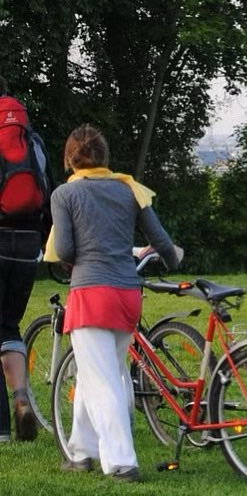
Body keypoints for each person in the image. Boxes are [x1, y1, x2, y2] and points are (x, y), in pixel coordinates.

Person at [45, 124, 182, 481]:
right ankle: (80, 451)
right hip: (127, 294)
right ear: (105, 156)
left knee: (102, 379)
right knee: (100, 373)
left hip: (90, 294)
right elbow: (161, 240)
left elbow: (66, 250)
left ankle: (121, 462)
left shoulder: (64, 195)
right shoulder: (127, 188)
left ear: (70, 159)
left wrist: (68, 263)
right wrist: (172, 261)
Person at [0, 76, 44, 443]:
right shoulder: (32, 140)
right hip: (29, 244)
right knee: (10, 326)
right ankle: (21, 399)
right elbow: (47, 188)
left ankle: (0, 428)